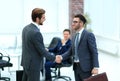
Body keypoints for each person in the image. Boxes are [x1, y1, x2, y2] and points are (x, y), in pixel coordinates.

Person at [21, 8, 59, 81]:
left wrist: (42, 48)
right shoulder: (36, 32)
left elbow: (30, 45)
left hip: (26, 62)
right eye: (43, 17)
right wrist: (54, 58)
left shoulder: (25, 28)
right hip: (33, 64)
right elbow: (42, 51)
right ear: (37, 18)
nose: (45, 19)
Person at [58, 14, 99, 81]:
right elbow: (70, 51)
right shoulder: (74, 36)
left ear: (81, 23)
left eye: (75, 22)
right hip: (76, 67)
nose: (73, 24)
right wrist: (61, 57)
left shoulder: (88, 35)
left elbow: (94, 51)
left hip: (86, 68)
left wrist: (96, 67)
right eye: (73, 22)